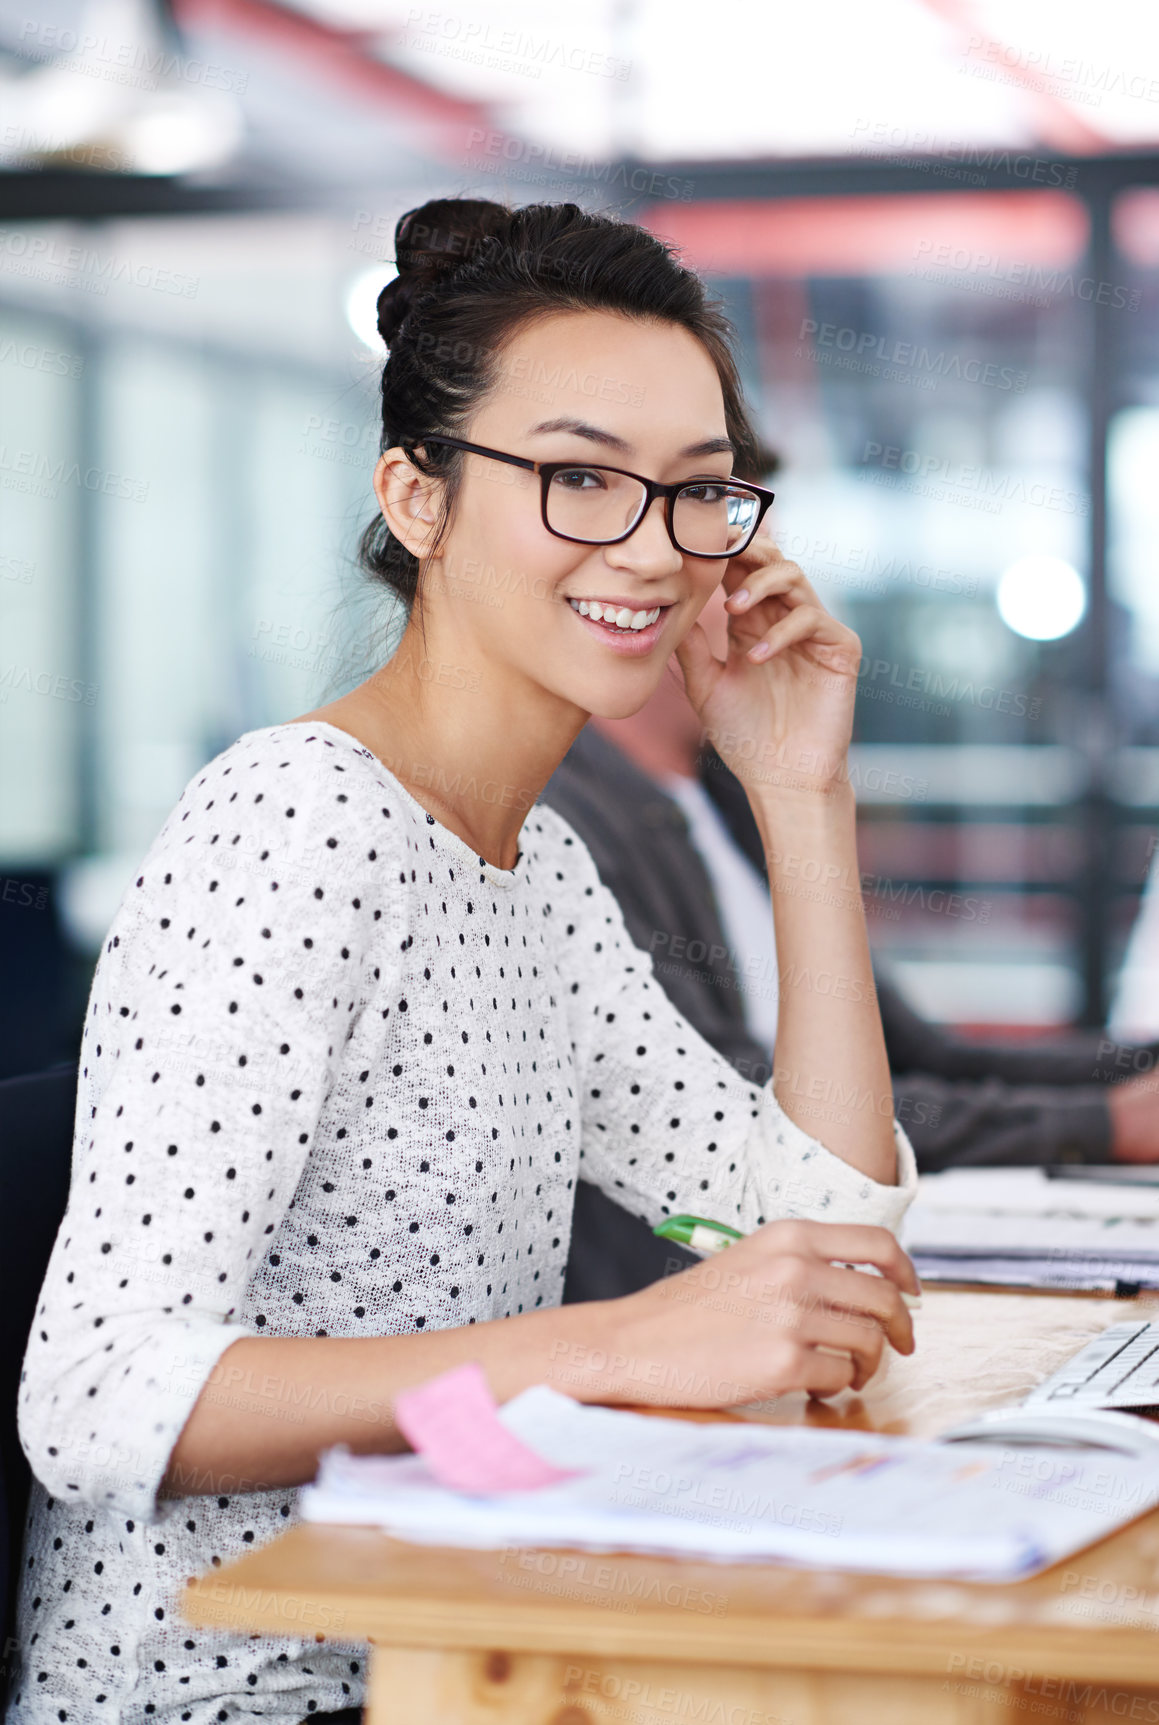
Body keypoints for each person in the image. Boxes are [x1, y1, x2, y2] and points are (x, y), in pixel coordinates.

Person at [10, 198, 921, 1725]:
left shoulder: (531, 865)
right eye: (577, 478)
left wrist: (795, 793)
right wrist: (617, 1346)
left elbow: (824, 1238)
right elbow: (95, 1399)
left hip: (454, 1656)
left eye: (697, 492)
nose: (652, 547)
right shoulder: (291, 828)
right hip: (240, 1692)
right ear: (415, 499)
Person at [543, 581, 1159, 1299]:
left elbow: (922, 1054)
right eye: (727, 574)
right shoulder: (563, 818)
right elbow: (731, 1101)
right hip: (689, 1287)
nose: (756, 605)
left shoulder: (729, 788)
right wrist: (1101, 1122)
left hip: (823, 1243)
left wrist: (1132, 1070)